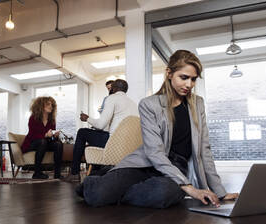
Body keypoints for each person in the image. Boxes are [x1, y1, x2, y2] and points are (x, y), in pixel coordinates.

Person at [78, 50, 239, 208]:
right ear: (169, 73)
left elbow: (205, 149)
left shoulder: (198, 104)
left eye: (193, 79)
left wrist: (220, 192)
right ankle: (102, 180)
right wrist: (189, 189)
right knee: (97, 195)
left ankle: (116, 190)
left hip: (177, 169)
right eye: (184, 77)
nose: (189, 84)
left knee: (162, 192)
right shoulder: (149, 104)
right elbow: (154, 152)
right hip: (145, 164)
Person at [65, 79, 138, 182]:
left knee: (82, 132)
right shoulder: (133, 103)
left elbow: (100, 125)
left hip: (114, 143)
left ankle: (74, 173)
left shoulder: (112, 98)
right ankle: (96, 172)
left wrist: (87, 118)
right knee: (96, 135)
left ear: (114, 88)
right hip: (129, 146)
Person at [21, 96, 63, 179]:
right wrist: (45, 135)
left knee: (58, 144)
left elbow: (50, 138)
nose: (51, 106)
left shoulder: (52, 120)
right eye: (48, 104)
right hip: (32, 143)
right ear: (41, 106)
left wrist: (54, 136)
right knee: (42, 142)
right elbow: (33, 134)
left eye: (51, 105)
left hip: (45, 143)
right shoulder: (33, 118)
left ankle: (57, 173)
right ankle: (37, 173)